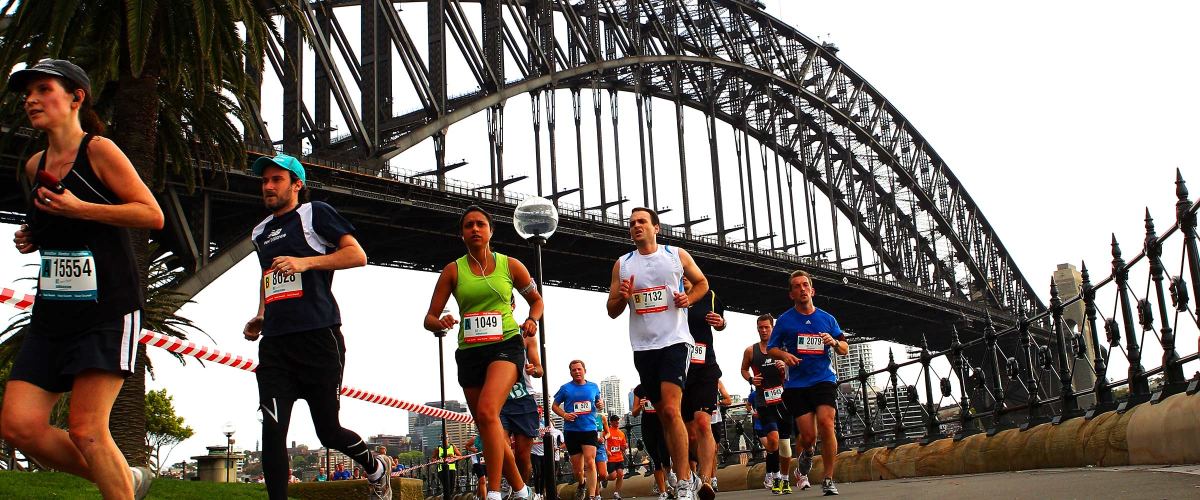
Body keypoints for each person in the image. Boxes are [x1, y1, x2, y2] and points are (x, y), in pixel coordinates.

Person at [1, 58, 165, 500]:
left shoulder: (100, 150)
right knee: (19, 426)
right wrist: (35, 235)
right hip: (53, 312)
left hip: (108, 309)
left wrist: (80, 209)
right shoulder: (36, 164)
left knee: (88, 431)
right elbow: (62, 225)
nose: (31, 100)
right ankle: (124, 479)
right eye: (27, 93)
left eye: (43, 90)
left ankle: (121, 484)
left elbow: (151, 214)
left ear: (76, 97)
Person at [241, 152, 393, 499]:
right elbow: (269, 276)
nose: (267, 186)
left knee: (328, 431)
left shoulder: (314, 213)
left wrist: (305, 262)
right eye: (264, 180)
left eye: (276, 179)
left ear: (297, 184)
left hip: (318, 338)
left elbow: (357, 256)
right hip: (276, 344)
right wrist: (261, 314)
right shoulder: (261, 231)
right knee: (273, 431)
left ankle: (375, 467)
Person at [423, 205, 542, 500]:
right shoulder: (453, 270)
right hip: (470, 352)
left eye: (480, 224)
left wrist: (531, 319)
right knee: (487, 424)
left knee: (489, 411)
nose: (475, 229)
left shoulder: (510, 265)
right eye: (468, 226)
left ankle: (493, 492)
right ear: (462, 234)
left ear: (490, 231)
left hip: (505, 345)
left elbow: (537, 300)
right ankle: (520, 488)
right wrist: (442, 322)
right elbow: (429, 318)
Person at [605, 207, 710, 500]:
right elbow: (611, 310)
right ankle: (679, 473)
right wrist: (622, 298)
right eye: (631, 223)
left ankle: (686, 482)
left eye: (641, 221)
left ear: (656, 227)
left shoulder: (675, 255)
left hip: (675, 341)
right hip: (643, 347)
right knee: (665, 417)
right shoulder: (623, 265)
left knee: (670, 409)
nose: (636, 226)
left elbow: (702, 283)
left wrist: (688, 298)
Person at [767, 270, 848, 496]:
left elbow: (844, 348)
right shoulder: (784, 321)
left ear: (812, 291)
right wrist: (784, 356)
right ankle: (809, 452)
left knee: (827, 423)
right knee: (808, 436)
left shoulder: (827, 319)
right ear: (791, 294)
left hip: (823, 379)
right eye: (796, 286)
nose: (801, 289)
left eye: (805, 285)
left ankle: (828, 478)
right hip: (797, 385)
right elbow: (772, 348)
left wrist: (833, 342)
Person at [680, 276, 726, 495]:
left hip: (705, 367)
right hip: (678, 370)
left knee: (702, 422)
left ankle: (707, 480)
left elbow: (721, 323)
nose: (685, 278)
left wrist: (721, 323)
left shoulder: (710, 295)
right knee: (689, 434)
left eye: (689, 274)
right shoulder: (671, 296)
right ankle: (689, 476)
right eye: (681, 274)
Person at [742, 313, 795, 494]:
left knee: (785, 444)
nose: (763, 331)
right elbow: (743, 369)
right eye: (760, 328)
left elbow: (795, 366)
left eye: (767, 327)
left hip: (783, 400)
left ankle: (786, 479)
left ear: (773, 328)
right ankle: (777, 477)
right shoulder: (751, 351)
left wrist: (785, 366)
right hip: (763, 400)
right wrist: (751, 379)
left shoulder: (782, 348)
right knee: (772, 441)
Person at [552, 360, 603, 500]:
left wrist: (600, 404)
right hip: (572, 431)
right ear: (570, 372)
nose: (577, 372)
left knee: (590, 462)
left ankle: (592, 496)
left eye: (579, 369)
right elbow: (554, 406)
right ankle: (582, 483)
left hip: (589, 429)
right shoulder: (565, 388)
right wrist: (564, 414)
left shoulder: (593, 386)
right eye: (574, 370)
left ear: (584, 370)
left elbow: (599, 403)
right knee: (577, 470)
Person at [501, 336, 544, 491]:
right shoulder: (487, 333)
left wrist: (534, 370)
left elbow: (540, 369)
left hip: (523, 400)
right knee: (502, 449)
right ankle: (511, 485)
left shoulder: (525, 336)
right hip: (498, 400)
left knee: (522, 456)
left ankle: (522, 491)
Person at [631, 385, 669, 500]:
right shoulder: (639, 389)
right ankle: (663, 492)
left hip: (663, 425)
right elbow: (634, 413)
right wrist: (640, 406)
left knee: (666, 458)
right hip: (648, 426)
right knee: (656, 460)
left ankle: (670, 483)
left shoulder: (663, 385)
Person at [532, 419, 564, 499]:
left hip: (547, 454)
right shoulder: (532, 424)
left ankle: (542, 493)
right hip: (534, 453)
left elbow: (563, 442)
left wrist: (557, 448)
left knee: (545, 474)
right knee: (537, 472)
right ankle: (537, 493)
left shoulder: (556, 431)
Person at [603, 415, 628, 499]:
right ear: (611, 422)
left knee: (621, 474)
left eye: (618, 421)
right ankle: (604, 478)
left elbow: (622, 446)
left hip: (619, 457)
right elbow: (602, 442)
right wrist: (606, 451)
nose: (617, 422)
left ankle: (616, 493)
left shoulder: (621, 433)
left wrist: (625, 447)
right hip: (610, 458)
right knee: (613, 476)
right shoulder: (607, 431)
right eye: (615, 421)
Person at [469, 434, 488, 500]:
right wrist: (473, 450)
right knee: (483, 480)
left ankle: (477, 496)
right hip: (476, 462)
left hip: (485, 461)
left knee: (482, 481)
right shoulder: (474, 439)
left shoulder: (489, 437)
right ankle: (484, 498)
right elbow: (466, 446)